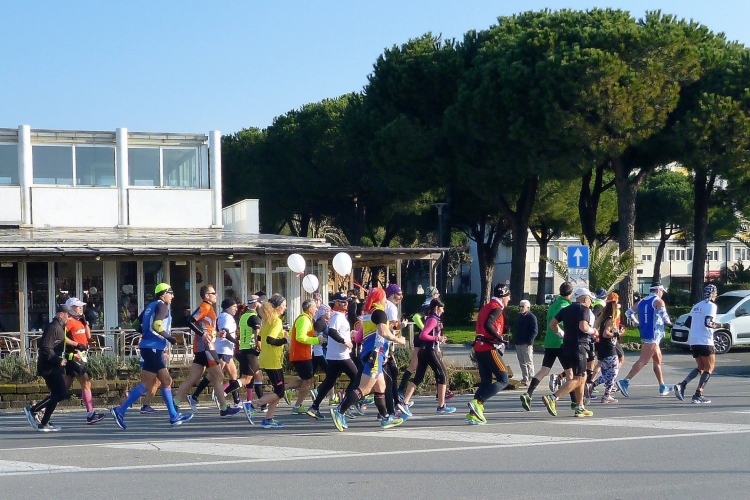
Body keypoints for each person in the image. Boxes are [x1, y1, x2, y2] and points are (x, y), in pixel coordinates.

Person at [110, 283, 193, 429]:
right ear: (163, 294)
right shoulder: (162, 306)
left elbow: (135, 324)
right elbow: (156, 325)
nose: (173, 296)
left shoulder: (151, 305)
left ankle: (174, 416)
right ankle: (120, 410)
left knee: (166, 380)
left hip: (150, 348)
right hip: (153, 348)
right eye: (171, 293)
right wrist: (169, 337)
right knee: (147, 384)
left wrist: (146, 334)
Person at [330, 287, 407, 431]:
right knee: (364, 389)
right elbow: (383, 332)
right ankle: (339, 411)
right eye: (384, 298)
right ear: (379, 299)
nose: (385, 301)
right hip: (375, 355)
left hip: (369, 354)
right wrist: (399, 340)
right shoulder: (380, 313)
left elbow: (359, 337)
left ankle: (385, 417)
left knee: (381, 387)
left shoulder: (367, 314)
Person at [173, 285, 240, 418]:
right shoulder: (205, 307)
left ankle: (174, 403)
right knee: (218, 376)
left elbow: (206, 327)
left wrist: (216, 333)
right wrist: (202, 334)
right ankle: (223, 408)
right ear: (206, 296)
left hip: (202, 348)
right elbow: (190, 321)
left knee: (193, 378)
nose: (216, 295)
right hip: (207, 348)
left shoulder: (210, 308)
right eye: (213, 293)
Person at [541, 287, 598, 418]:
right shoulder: (584, 309)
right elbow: (583, 327)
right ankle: (553, 398)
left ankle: (580, 407)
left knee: (581, 376)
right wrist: (594, 331)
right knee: (578, 378)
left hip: (567, 346)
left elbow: (552, 324)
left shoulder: (566, 309)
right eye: (590, 299)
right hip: (579, 346)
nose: (591, 302)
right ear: (585, 299)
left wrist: (562, 334)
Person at [519, 282, 573, 412]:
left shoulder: (553, 304)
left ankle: (528, 393)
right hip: (561, 342)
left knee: (544, 370)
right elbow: (561, 323)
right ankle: (576, 403)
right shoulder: (566, 306)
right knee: (570, 374)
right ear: (570, 294)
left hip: (549, 342)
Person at [23, 304, 77, 432]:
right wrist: (58, 360)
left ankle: (44, 422)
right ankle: (33, 410)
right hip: (49, 367)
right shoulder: (53, 327)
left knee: (56, 394)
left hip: (54, 366)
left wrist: (70, 356)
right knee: (62, 393)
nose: (70, 318)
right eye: (68, 316)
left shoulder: (60, 327)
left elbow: (58, 349)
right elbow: (46, 347)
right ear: (61, 314)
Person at [307, 292, 359, 419]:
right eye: (342, 302)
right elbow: (332, 331)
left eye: (346, 301)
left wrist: (349, 335)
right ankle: (343, 406)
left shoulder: (340, 316)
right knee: (357, 378)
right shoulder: (337, 316)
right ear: (336, 303)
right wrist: (345, 341)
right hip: (340, 355)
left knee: (330, 382)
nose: (345, 303)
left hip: (334, 355)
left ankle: (314, 407)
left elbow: (338, 332)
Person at [616, 283, 672, 397]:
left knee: (658, 360)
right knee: (643, 360)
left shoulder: (641, 302)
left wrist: (637, 323)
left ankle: (662, 386)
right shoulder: (658, 301)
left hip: (646, 332)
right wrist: (670, 323)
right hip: (654, 334)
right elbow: (664, 315)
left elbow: (628, 313)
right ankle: (625, 381)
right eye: (662, 291)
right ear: (658, 290)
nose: (662, 294)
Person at [466, 283, 511, 425]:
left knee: (486, 381)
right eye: (508, 296)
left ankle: (473, 414)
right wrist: (500, 338)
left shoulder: (486, 306)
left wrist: (503, 330)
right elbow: (488, 324)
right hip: (489, 348)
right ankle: (478, 402)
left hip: (479, 348)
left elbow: (485, 325)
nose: (509, 299)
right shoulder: (497, 308)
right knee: (504, 379)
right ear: (503, 296)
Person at [400, 299, 456, 414]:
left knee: (418, 377)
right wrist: (437, 338)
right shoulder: (433, 319)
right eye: (442, 308)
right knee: (443, 375)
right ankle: (441, 406)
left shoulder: (433, 319)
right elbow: (423, 335)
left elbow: (431, 334)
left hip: (425, 350)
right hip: (429, 351)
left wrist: (439, 341)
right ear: (436, 308)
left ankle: (404, 403)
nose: (443, 310)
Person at [675, 284, 727, 404]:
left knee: (701, 367)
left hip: (694, 341)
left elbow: (687, 323)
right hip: (705, 341)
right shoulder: (712, 306)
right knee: (710, 367)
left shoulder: (697, 306)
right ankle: (698, 394)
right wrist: (723, 325)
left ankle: (682, 385)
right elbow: (708, 323)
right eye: (715, 294)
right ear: (713, 294)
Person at [244, 294, 289, 428]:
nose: (285, 308)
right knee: (280, 392)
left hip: (267, 358)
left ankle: (268, 419)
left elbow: (259, 338)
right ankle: (253, 405)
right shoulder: (276, 321)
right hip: (272, 360)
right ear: (278, 306)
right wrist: (285, 340)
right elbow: (270, 340)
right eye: (284, 305)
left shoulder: (267, 320)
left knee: (278, 391)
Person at [61, 297, 105, 424]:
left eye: (81, 306)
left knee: (64, 387)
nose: (80, 308)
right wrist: (76, 345)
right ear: (70, 308)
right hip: (74, 355)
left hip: (82, 355)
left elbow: (88, 336)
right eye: (77, 306)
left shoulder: (80, 320)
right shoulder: (69, 321)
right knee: (86, 382)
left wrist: (86, 323)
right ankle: (91, 414)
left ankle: (41, 408)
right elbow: (62, 337)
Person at [398, 285, 440, 398]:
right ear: (434, 295)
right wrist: (425, 330)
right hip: (424, 339)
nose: (439, 295)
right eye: (437, 294)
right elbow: (416, 317)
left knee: (414, 365)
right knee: (437, 365)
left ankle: (401, 389)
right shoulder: (429, 306)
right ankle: (441, 392)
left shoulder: (426, 304)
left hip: (420, 338)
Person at [287, 299, 322, 414]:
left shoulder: (305, 319)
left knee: (306, 380)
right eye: (315, 307)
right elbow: (300, 337)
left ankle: (285, 390)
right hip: (301, 355)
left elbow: (292, 333)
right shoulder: (304, 319)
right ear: (309, 308)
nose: (316, 309)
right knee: (308, 382)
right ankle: (296, 406)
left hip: (302, 354)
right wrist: (316, 340)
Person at [237, 295, 265, 421]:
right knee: (246, 379)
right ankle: (222, 391)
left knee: (258, 375)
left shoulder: (244, 316)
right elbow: (257, 336)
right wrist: (262, 349)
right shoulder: (254, 317)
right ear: (255, 304)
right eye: (260, 303)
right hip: (251, 349)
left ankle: (261, 403)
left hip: (244, 348)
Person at [591, 300, 621, 403]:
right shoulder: (610, 320)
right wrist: (616, 334)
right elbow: (605, 333)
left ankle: (607, 395)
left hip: (603, 350)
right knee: (612, 373)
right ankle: (592, 384)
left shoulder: (602, 320)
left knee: (608, 373)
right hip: (609, 350)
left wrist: (619, 333)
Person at [515, 299, 538, 386]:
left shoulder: (531, 317)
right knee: (522, 362)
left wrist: (529, 342)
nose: (521, 308)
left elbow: (535, 331)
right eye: (520, 306)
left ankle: (531, 379)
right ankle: (525, 378)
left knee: (528, 362)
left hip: (526, 343)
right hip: (518, 342)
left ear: (528, 307)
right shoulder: (520, 316)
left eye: (523, 306)